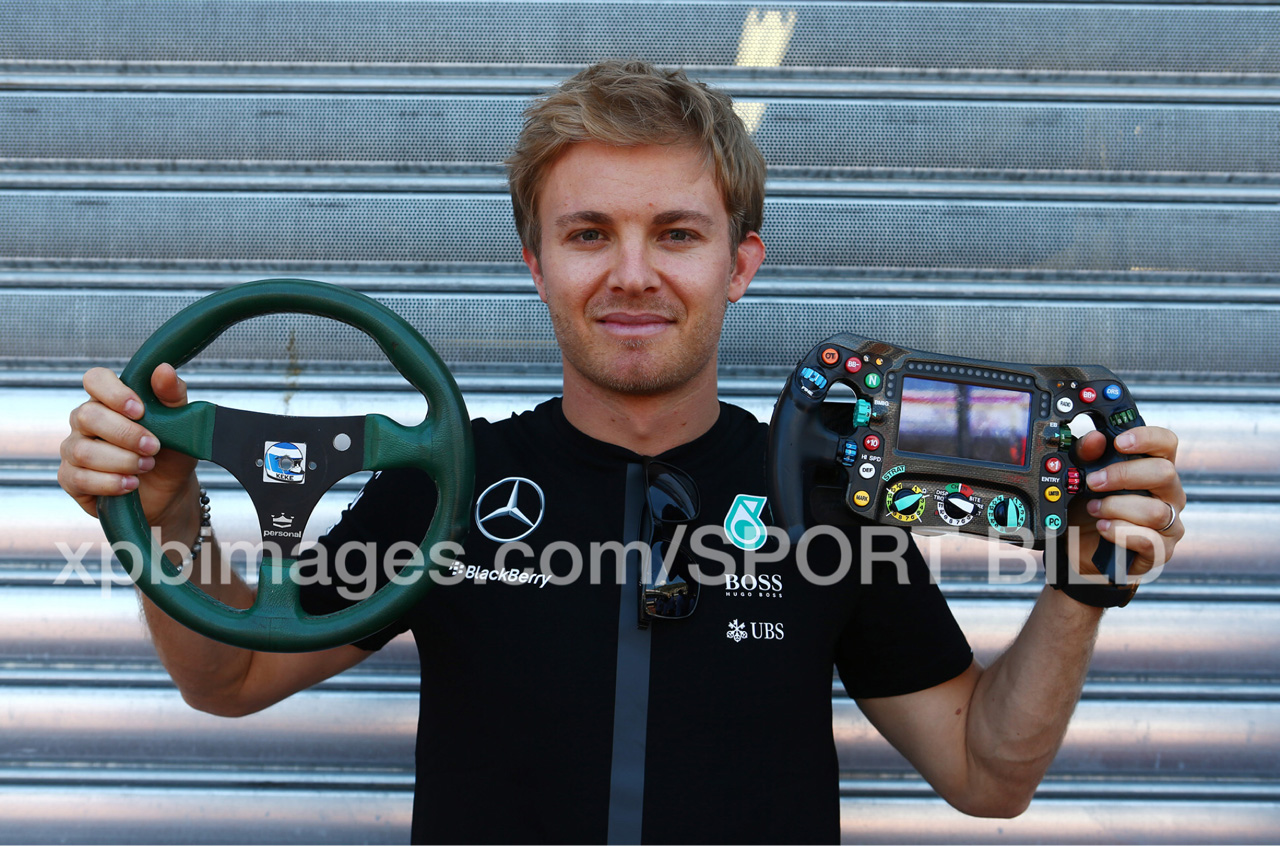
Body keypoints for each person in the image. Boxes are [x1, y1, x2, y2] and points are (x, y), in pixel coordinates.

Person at [57, 60, 1186, 843]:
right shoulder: (440, 487)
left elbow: (986, 775)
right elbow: (229, 676)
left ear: (739, 264)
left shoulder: (829, 495)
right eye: (589, 233)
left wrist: (1081, 587)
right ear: (534, 262)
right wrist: (169, 515)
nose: (633, 274)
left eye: (676, 234)